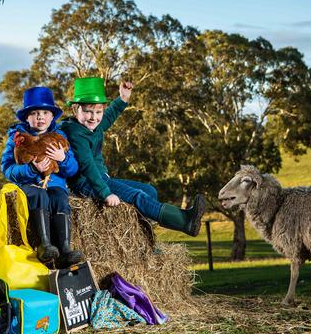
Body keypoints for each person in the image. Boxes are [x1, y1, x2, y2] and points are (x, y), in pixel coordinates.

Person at [60, 77, 206, 237]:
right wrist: (106, 193)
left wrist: (123, 98)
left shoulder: (92, 125)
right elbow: (87, 165)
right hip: (86, 183)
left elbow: (108, 117)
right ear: (75, 109)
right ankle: (185, 222)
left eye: (98, 111)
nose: (93, 117)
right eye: (87, 111)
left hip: (101, 178)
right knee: (137, 196)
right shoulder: (75, 132)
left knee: (149, 190)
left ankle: (145, 238)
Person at [1, 86, 84, 268]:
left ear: (52, 116)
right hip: (29, 185)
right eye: (35, 113)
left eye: (45, 112)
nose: (40, 117)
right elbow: (7, 169)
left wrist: (62, 159)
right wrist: (31, 168)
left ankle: (65, 248)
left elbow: (72, 170)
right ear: (26, 117)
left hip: (55, 184)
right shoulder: (16, 137)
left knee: (60, 198)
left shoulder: (59, 136)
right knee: (39, 195)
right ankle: (44, 245)